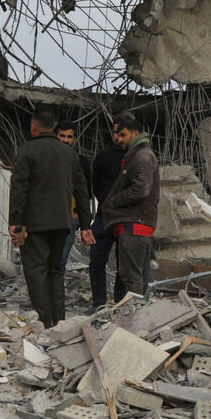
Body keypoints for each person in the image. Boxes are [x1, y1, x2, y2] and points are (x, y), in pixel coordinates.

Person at [8, 108, 93, 327]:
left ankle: (44, 321)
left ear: (33, 126)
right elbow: (82, 191)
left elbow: (19, 189)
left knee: (36, 270)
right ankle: (59, 320)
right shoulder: (70, 154)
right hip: (63, 224)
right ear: (54, 129)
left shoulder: (27, 150)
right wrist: (85, 224)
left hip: (33, 225)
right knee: (55, 270)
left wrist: (15, 222)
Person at [99, 113, 159, 299]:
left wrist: (113, 201)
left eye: (123, 135)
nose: (119, 138)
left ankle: (135, 317)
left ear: (135, 134)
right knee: (142, 275)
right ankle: (145, 316)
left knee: (132, 276)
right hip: (139, 223)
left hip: (134, 224)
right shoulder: (140, 155)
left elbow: (141, 189)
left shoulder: (141, 156)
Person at [89, 123, 128, 309]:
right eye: (115, 133)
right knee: (96, 259)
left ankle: (120, 303)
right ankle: (99, 304)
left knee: (125, 265)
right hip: (104, 217)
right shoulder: (104, 156)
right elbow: (95, 185)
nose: (119, 138)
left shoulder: (137, 157)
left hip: (127, 218)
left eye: (123, 134)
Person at [54, 121, 93, 272]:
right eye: (61, 136)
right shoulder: (49, 158)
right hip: (47, 217)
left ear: (75, 139)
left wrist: (80, 219)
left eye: (69, 137)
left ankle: (55, 294)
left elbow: (86, 192)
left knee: (60, 261)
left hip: (69, 218)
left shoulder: (81, 161)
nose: (65, 140)